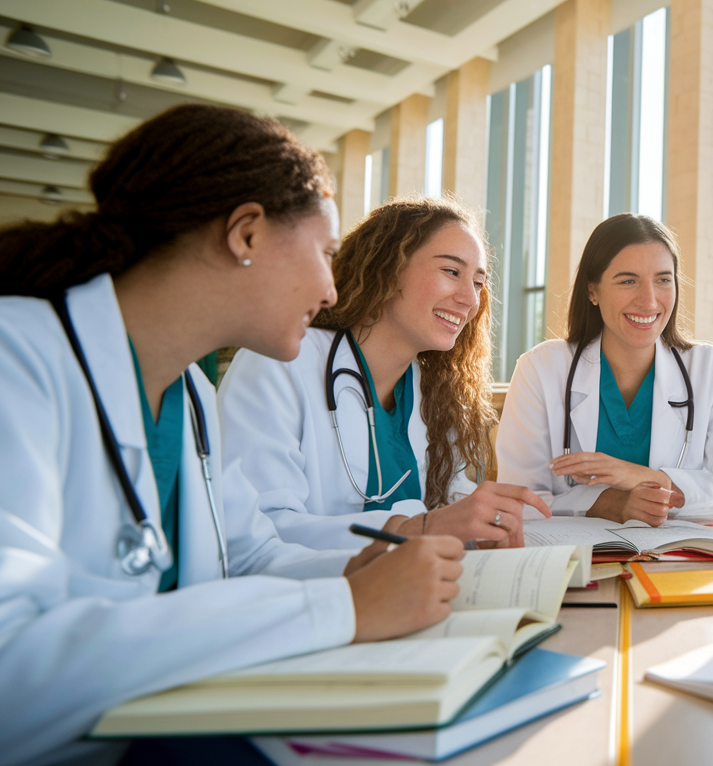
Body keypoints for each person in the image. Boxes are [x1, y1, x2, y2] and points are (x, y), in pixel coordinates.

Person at [0, 105, 465, 766]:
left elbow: (246, 558)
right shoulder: (16, 357)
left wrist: (358, 574)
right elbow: (10, 666)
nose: (333, 292)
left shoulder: (191, 393)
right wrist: (344, 608)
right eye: (326, 255)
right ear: (245, 233)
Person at [217, 197, 549, 551]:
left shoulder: (437, 394)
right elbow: (255, 536)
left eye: (479, 282)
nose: (470, 298)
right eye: (451, 272)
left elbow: (454, 509)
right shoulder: (279, 365)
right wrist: (417, 529)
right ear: (387, 268)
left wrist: (485, 533)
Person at [497, 213, 713, 526]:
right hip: (578, 562)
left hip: (678, 564)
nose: (649, 301)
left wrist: (650, 480)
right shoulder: (540, 370)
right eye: (628, 281)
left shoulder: (710, 369)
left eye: (663, 280)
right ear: (592, 291)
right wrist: (614, 503)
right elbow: (520, 500)